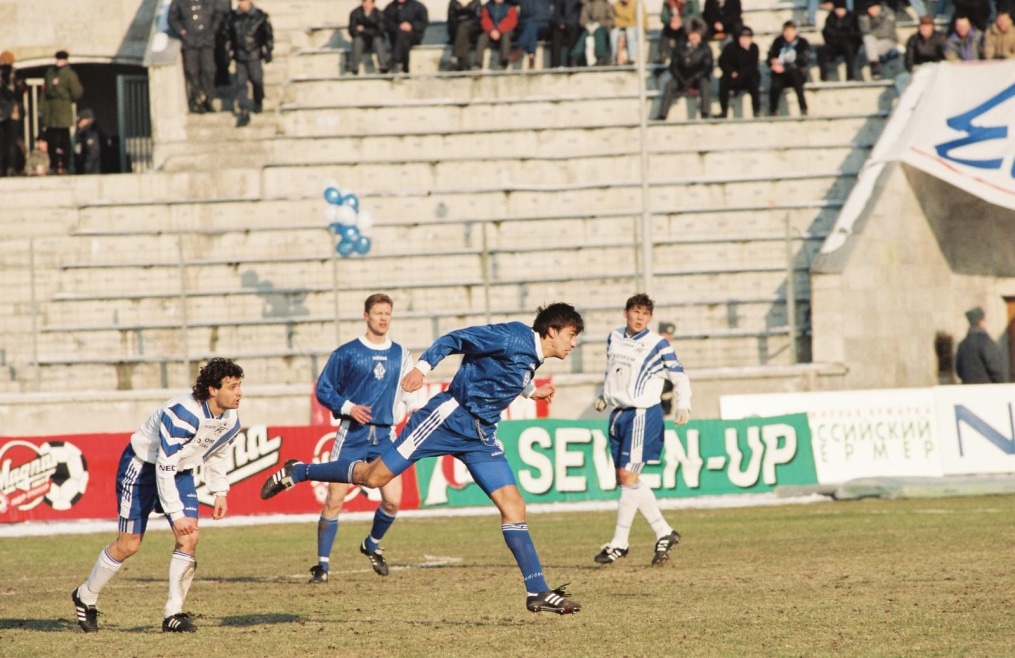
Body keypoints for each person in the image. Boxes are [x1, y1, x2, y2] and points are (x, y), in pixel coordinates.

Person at [261, 303, 586, 615]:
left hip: (480, 435)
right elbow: (455, 339)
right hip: (447, 418)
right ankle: (301, 471)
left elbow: (500, 372)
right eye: (571, 335)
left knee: (514, 506)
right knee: (373, 478)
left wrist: (530, 392)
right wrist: (422, 368)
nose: (574, 343)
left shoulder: (531, 355)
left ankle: (537, 591)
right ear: (552, 330)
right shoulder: (514, 335)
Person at [71, 358, 244, 633]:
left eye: (239, 386)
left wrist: (220, 491)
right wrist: (175, 514)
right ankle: (85, 596)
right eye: (232, 386)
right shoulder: (183, 414)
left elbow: (217, 453)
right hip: (142, 468)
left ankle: (172, 614)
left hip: (180, 471)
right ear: (213, 389)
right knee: (128, 545)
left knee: (189, 536)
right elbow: (164, 465)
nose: (239, 393)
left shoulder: (230, 419)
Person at [308, 294, 418, 583]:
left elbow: (410, 393)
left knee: (393, 502)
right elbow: (324, 388)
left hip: (385, 436)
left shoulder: (402, 355)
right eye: (378, 313)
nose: (383, 318)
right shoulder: (347, 353)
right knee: (335, 499)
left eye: (387, 313)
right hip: (352, 436)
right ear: (365, 316)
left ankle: (371, 544)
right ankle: (322, 565)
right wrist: (347, 407)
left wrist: (417, 411)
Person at [592, 294, 691, 566]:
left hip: (642, 414)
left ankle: (619, 543)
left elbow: (679, 375)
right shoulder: (614, 337)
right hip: (619, 413)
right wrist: (605, 393)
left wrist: (684, 404)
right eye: (636, 312)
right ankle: (664, 532)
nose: (640, 318)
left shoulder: (657, 344)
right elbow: (613, 370)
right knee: (626, 480)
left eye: (645, 314)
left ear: (650, 318)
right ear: (626, 312)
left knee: (628, 475)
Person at [169, 0, 225, 113]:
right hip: (190, 41)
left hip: (206, 40)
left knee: (208, 69)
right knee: (191, 71)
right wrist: (182, 31)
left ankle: (210, 97)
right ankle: (196, 99)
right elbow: (172, 18)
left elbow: (218, 14)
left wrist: (213, 30)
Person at [656, 19, 712, 119]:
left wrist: (693, 78)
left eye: (696, 34)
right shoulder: (680, 47)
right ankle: (662, 114)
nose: (694, 37)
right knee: (670, 85)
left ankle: (705, 113)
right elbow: (673, 66)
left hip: (697, 78)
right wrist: (681, 79)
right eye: (692, 34)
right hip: (681, 77)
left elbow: (707, 67)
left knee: (704, 83)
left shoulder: (706, 48)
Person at [229, 0, 273, 128]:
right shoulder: (233, 17)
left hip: (254, 54)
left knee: (256, 80)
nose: (240, 4)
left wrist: (268, 50)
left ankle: (258, 100)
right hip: (239, 56)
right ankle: (244, 110)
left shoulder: (260, 17)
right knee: (241, 83)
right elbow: (228, 35)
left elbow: (268, 35)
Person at [40, 50, 83, 174]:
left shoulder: (70, 74)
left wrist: (66, 95)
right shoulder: (50, 73)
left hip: (63, 109)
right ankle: (53, 165)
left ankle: (65, 165)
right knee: (51, 140)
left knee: (64, 140)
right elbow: (44, 92)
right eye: (58, 59)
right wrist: (41, 108)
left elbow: (77, 92)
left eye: (62, 59)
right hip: (50, 111)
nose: (59, 61)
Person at [767, 21, 811, 116]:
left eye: (791, 31)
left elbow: (803, 61)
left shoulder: (802, 43)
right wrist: (772, 62)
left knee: (795, 77)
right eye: (786, 31)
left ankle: (803, 108)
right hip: (781, 74)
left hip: (797, 73)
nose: (788, 34)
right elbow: (770, 56)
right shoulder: (778, 42)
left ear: (795, 32)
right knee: (776, 82)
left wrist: (785, 67)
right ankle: (773, 109)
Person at [717, 26, 761, 118]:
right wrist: (731, 72)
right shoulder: (730, 47)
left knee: (754, 80)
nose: (745, 40)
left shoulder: (753, 48)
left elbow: (752, 65)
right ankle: (724, 111)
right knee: (723, 81)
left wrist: (740, 74)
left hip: (747, 77)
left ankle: (756, 110)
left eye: (748, 38)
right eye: (743, 38)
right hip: (733, 77)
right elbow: (722, 61)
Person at [955, 307, 1004, 384]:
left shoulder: (962, 344)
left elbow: (959, 371)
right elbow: (994, 367)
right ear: (981, 322)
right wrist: (1001, 384)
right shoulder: (985, 342)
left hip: (967, 389)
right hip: (986, 389)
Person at [817, 0, 861, 81]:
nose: (839, 12)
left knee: (848, 48)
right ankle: (823, 76)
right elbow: (826, 32)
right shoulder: (831, 17)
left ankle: (850, 76)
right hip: (834, 45)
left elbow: (856, 34)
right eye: (837, 10)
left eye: (841, 10)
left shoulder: (852, 17)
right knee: (821, 50)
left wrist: (841, 36)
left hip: (849, 45)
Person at [383, 0, 429, 74]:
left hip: (413, 36)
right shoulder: (390, 8)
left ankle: (395, 61)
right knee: (402, 37)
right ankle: (405, 68)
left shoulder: (418, 6)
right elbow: (385, 23)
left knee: (403, 35)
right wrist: (398, 27)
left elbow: (423, 22)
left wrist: (411, 26)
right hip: (396, 37)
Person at [0, 50, 26, 177]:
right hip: (11, 113)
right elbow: (20, 91)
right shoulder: (15, 74)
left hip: (7, 113)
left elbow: (20, 90)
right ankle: (9, 168)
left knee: (7, 143)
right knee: (10, 143)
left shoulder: (14, 74)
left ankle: (7, 168)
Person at [857, 2, 899, 80]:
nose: (871, 11)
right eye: (869, 9)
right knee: (864, 47)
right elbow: (864, 31)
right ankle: (871, 73)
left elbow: (885, 32)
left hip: (888, 41)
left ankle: (874, 67)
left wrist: (871, 34)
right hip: (871, 43)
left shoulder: (888, 13)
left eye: (873, 8)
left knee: (868, 43)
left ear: (879, 6)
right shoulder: (864, 15)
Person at [349, 0, 391, 74]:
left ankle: (383, 66)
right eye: (365, 2)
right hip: (362, 39)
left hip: (375, 38)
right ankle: (354, 68)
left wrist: (364, 30)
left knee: (378, 41)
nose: (366, 5)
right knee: (357, 41)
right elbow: (352, 30)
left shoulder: (379, 14)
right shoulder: (355, 13)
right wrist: (369, 31)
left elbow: (380, 30)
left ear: (373, 4)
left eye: (368, 3)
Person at [475, 0, 519, 69]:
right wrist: (492, 30)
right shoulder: (487, 6)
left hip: (506, 30)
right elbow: (485, 19)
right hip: (491, 31)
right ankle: (477, 64)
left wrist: (499, 30)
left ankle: (503, 62)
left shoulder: (510, 6)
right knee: (482, 37)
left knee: (506, 36)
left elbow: (512, 20)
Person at [658, 0, 702, 65]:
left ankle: (681, 56)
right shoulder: (668, 2)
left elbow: (696, 15)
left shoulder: (692, 1)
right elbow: (663, 17)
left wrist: (681, 21)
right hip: (673, 26)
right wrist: (671, 21)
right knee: (666, 31)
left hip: (688, 26)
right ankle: (663, 55)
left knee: (686, 29)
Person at [572, 0, 614, 66]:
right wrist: (588, 25)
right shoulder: (588, 4)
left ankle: (601, 58)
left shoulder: (606, 4)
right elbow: (583, 19)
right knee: (584, 37)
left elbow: (610, 19)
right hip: (590, 26)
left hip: (602, 28)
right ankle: (575, 57)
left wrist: (600, 24)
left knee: (599, 35)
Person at [512, 0, 553, 68]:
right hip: (526, 24)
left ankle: (519, 49)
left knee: (531, 26)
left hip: (543, 24)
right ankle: (531, 56)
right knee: (531, 27)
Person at [447, 0, 483, 71]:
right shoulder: (453, 2)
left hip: (472, 29)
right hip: (457, 29)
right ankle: (465, 63)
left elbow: (478, 18)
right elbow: (450, 19)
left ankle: (456, 57)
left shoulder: (476, 2)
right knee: (461, 29)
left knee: (463, 27)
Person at [611, 0, 647, 65]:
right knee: (614, 33)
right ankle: (614, 58)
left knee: (630, 32)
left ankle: (632, 58)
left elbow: (641, 20)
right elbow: (616, 20)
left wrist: (627, 24)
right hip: (622, 28)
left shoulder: (637, 4)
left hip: (635, 28)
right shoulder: (617, 5)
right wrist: (626, 24)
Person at [549, 0, 584, 67]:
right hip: (559, 24)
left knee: (574, 38)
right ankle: (555, 65)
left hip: (573, 24)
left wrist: (569, 23)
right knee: (556, 38)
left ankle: (571, 64)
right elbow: (556, 12)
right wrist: (560, 22)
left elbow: (578, 13)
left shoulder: (578, 2)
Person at [73, 109, 101, 175]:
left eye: (81, 121)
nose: (79, 124)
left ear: (88, 120)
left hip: (92, 172)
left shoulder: (91, 133)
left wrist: (86, 170)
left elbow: (93, 153)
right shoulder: (82, 134)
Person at [657, 321, 677, 414]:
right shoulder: (655, 349)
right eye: (666, 334)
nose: (669, 338)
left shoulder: (670, 350)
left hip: (667, 388)